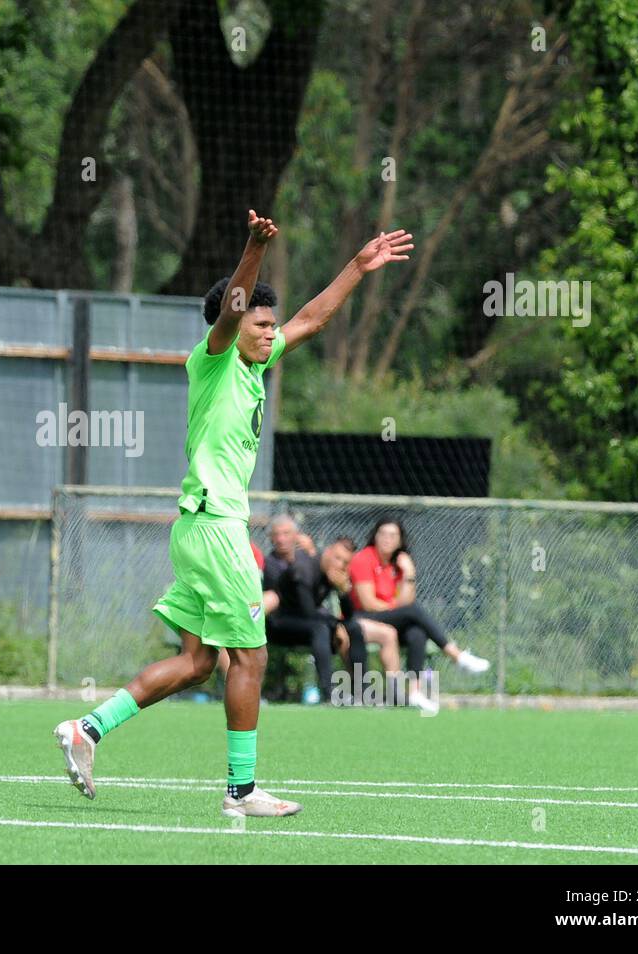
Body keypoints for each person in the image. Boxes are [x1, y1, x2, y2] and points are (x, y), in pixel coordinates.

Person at [54, 211, 414, 816]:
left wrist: (357, 265)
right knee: (251, 656)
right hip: (216, 530)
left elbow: (313, 318)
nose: (273, 332)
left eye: (273, 325)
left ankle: (85, 730)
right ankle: (241, 792)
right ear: (236, 324)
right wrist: (254, 246)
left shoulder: (257, 365)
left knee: (199, 663)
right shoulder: (214, 358)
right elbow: (232, 308)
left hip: (198, 530)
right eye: (262, 324)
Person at [347, 516, 491, 713]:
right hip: (364, 617)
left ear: (400, 540)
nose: (387, 539)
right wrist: (398, 608)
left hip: (390, 618)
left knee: (417, 632)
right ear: (375, 536)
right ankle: (456, 655)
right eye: (383, 534)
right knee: (414, 612)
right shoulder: (363, 558)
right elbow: (369, 603)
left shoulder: (397, 564)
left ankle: (414, 691)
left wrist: (409, 573)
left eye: (393, 535)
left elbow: (406, 601)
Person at [261, 518, 392, 705]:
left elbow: (349, 616)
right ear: (328, 552)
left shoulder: (332, 573)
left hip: (310, 623)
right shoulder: (303, 569)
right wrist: (334, 625)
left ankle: (364, 691)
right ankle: (330, 693)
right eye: (338, 558)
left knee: (354, 628)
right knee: (321, 628)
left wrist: (343, 590)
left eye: (346, 562)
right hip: (280, 623)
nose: (340, 565)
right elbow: (307, 612)